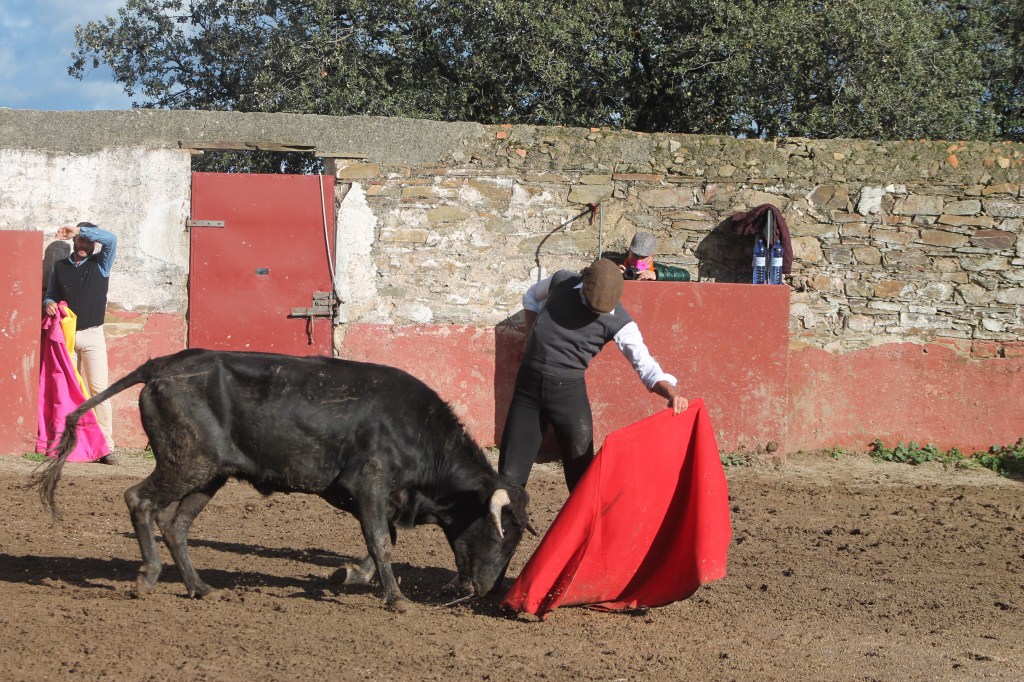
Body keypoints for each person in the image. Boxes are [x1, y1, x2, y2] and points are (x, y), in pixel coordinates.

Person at [499, 258, 688, 491]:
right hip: (527, 390)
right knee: (509, 477)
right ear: (583, 285)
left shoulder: (622, 323)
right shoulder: (563, 280)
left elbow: (646, 366)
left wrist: (671, 393)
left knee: (582, 478)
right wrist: (530, 335)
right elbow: (530, 296)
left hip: (567, 395)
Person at [43, 222, 118, 463]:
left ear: (94, 243)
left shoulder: (101, 264)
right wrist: (49, 304)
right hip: (66, 334)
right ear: (74, 243)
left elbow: (112, 239)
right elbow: (51, 294)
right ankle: (72, 444)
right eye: (80, 240)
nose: (84, 244)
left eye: (88, 240)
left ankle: (106, 446)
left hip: (93, 334)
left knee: (99, 389)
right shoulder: (60, 267)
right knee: (68, 390)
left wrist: (79, 231)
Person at [618, 232, 691, 281]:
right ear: (629, 251)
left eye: (643, 257)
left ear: (652, 257)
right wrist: (613, 273)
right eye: (635, 255)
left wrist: (657, 274)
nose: (638, 261)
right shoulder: (617, 265)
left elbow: (685, 274)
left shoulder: (656, 269)